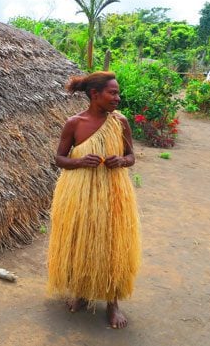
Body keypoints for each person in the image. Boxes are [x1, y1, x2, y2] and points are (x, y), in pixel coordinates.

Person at [47, 71, 141, 329]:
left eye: (117, 93)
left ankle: (113, 303)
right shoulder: (74, 123)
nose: (117, 98)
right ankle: (80, 292)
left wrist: (121, 161)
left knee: (112, 243)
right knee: (80, 240)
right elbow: (59, 159)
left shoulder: (120, 122)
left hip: (113, 192)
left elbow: (131, 156)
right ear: (94, 94)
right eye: (112, 93)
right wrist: (78, 161)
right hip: (78, 192)